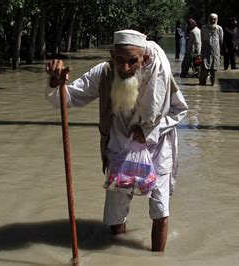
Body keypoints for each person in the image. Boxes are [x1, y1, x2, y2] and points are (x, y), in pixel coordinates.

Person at [45, 29, 188, 252]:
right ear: (112, 55)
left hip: (157, 150)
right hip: (119, 150)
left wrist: (150, 130)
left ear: (145, 59)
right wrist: (56, 82)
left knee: (160, 211)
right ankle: (116, 253)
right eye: (120, 60)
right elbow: (66, 99)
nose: (125, 67)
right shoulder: (103, 73)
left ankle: (158, 258)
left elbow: (179, 110)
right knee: (115, 213)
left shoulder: (160, 74)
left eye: (133, 61)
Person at [199, 13, 223, 85]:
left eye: (214, 19)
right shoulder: (203, 28)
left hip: (215, 52)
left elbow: (221, 41)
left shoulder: (219, 29)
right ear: (208, 19)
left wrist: (221, 53)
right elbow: (201, 39)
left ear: (216, 20)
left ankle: (213, 84)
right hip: (205, 51)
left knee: (214, 68)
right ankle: (202, 83)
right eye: (211, 19)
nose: (212, 20)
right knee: (204, 68)